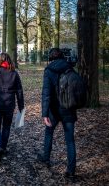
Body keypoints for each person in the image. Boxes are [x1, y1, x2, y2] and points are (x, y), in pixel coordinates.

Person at [38, 48, 77, 182]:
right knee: (70, 141)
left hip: (54, 110)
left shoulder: (49, 70)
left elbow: (46, 93)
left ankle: (46, 159)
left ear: (50, 58)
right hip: (68, 108)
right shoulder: (70, 68)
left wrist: (44, 113)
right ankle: (71, 171)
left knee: (49, 133)